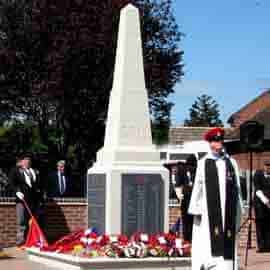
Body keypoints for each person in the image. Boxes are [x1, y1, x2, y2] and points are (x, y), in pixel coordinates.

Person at [188, 127, 243, 270]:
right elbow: (198, 188)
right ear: (210, 143)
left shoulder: (231, 162)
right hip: (209, 211)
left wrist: (240, 209)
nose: (218, 144)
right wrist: (196, 209)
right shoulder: (203, 163)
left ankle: (228, 266)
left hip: (229, 210)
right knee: (209, 239)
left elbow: (237, 187)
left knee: (228, 241)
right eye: (215, 141)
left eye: (220, 141)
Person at [8, 153, 42, 245]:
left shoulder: (34, 171)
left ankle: (31, 240)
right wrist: (17, 191)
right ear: (21, 161)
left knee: (34, 221)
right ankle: (20, 241)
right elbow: (11, 182)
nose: (27, 161)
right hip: (22, 200)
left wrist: (40, 198)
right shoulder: (15, 170)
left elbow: (38, 185)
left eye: (29, 159)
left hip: (34, 201)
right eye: (25, 159)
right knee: (22, 221)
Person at [175, 154, 197, 242]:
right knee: (189, 221)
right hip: (189, 200)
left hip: (190, 200)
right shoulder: (184, 170)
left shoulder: (194, 171)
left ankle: (189, 239)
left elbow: (178, 185)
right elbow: (178, 185)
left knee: (188, 222)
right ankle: (189, 239)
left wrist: (180, 196)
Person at [253, 160, 270, 252]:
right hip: (260, 204)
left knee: (268, 224)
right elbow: (257, 190)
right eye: (266, 165)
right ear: (263, 166)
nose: (268, 167)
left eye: (269, 166)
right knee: (260, 225)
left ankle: (268, 245)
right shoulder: (258, 174)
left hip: (269, 205)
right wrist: (266, 201)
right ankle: (261, 246)